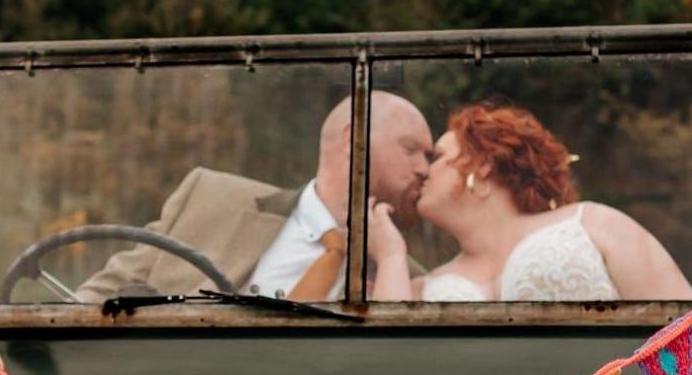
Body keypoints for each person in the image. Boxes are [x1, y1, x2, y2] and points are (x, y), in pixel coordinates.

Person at [73, 92, 433, 302]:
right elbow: (93, 299)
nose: (423, 169)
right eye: (411, 149)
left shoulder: (399, 277)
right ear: (352, 140)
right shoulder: (210, 198)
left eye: (428, 157)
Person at [367, 103, 692, 303]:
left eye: (436, 157)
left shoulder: (592, 223)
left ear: (482, 164)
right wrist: (391, 256)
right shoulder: (421, 286)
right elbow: (385, 361)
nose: (424, 170)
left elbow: (689, 322)